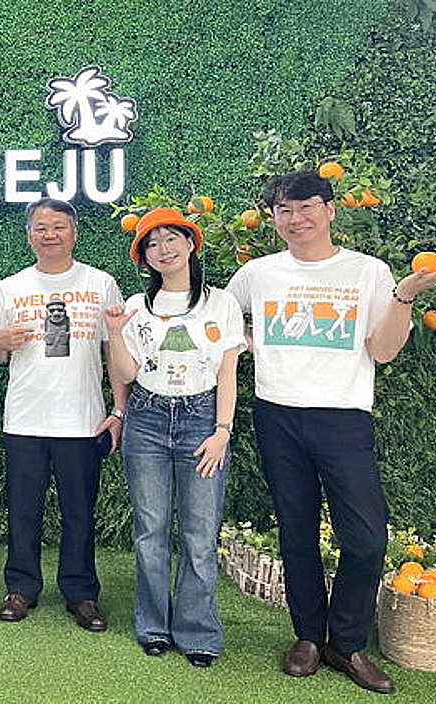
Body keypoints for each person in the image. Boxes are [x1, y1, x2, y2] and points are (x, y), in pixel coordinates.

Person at [226, 170, 436, 693]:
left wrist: (404, 296)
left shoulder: (367, 272)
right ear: (273, 218)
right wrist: (252, 344)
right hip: (276, 412)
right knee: (296, 531)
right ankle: (307, 636)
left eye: (306, 207)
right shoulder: (257, 273)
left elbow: (384, 350)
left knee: (367, 537)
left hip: (344, 414)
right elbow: (221, 318)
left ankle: (345, 644)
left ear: (329, 210)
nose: (296, 219)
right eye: (284, 211)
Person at [103, 208, 244, 667]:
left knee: (201, 533)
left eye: (171, 239)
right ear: (144, 257)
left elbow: (228, 373)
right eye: (152, 244)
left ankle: (198, 631)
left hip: (202, 419)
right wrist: (114, 334)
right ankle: (153, 626)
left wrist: (222, 430)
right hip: (146, 417)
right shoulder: (135, 307)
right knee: (151, 531)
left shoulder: (219, 303)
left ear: (190, 243)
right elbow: (125, 373)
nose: (163, 249)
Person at [0, 197, 125, 630]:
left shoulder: (101, 283)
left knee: (79, 510)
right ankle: (21, 588)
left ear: (74, 233)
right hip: (25, 417)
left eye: (58, 227)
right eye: (41, 227)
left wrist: (119, 410)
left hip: (82, 418)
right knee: (23, 508)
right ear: (29, 235)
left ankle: (81, 593)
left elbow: (113, 353)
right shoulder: (11, 287)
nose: (50, 234)